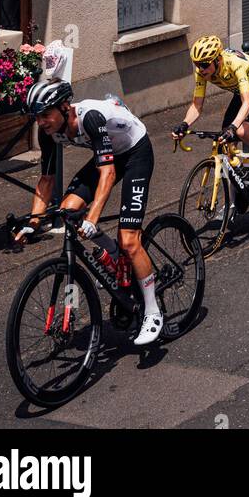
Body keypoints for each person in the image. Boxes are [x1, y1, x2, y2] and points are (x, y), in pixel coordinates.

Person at [20, 80, 162, 347]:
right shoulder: (48, 132)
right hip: (109, 155)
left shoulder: (91, 118)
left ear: (65, 107)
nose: (41, 122)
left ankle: (153, 312)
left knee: (130, 239)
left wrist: (93, 218)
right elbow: (46, 181)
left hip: (135, 152)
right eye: (36, 117)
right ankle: (114, 254)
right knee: (69, 210)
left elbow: (107, 173)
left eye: (45, 114)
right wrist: (33, 222)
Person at [174, 35, 249, 191]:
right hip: (240, 92)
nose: (201, 69)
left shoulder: (234, 64)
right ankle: (233, 204)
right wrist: (184, 124)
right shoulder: (201, 72)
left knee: (242, 131)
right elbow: (197, 105)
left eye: (204, 64)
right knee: (225, 144)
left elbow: (248, 102)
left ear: (218, 60)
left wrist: (234, 127)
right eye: (197, 64)